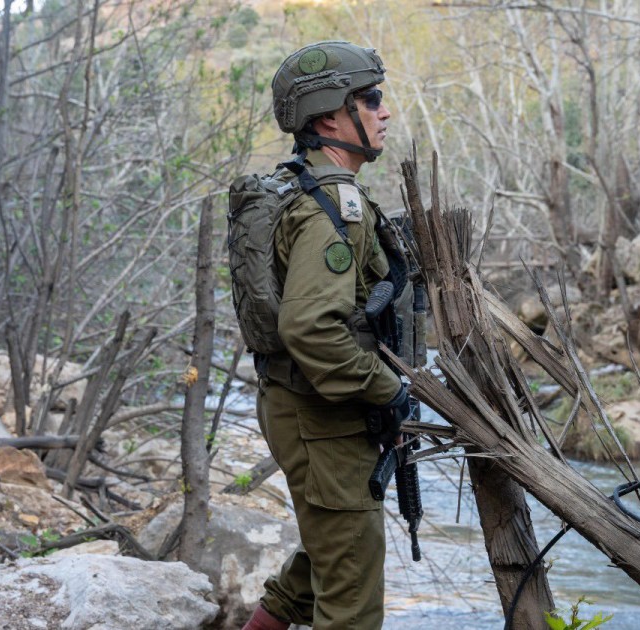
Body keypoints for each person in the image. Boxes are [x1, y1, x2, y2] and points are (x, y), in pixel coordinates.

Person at [240, 41, 411, 630]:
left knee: (326, 559)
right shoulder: (330, 206)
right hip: (321, 417)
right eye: (370, 99)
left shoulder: (308, 188)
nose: (384, 112)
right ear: (328, 118)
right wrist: (388, 390)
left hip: (311, 408)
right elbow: (311, 327)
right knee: (351, 600)